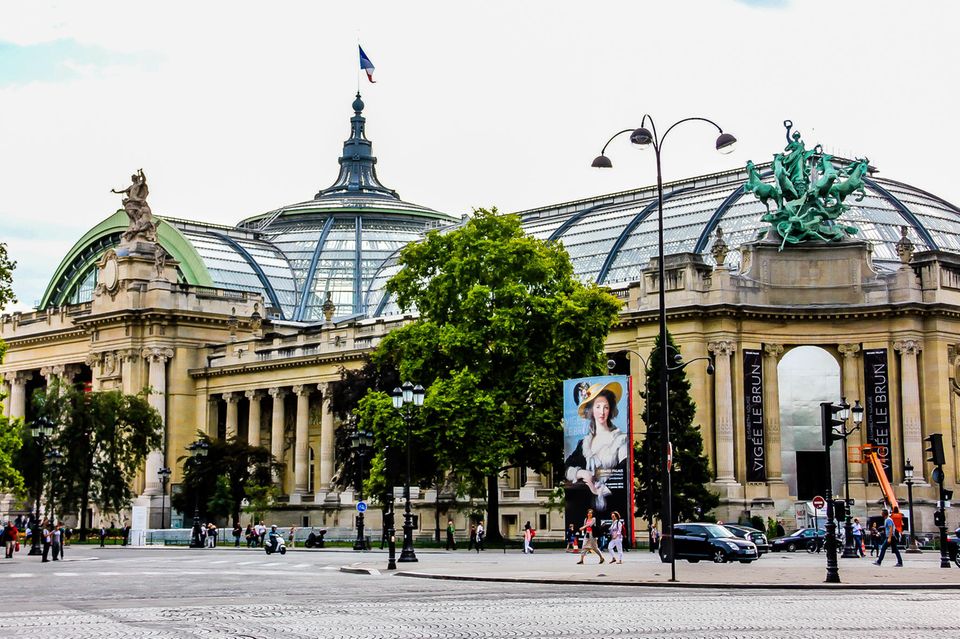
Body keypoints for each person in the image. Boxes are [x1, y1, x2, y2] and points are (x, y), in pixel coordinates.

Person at [564, 381, 629, 512]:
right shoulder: (584, 443)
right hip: (583, 505)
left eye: (606, 407)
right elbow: (567, 467)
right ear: (591, 410)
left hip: (614, 504)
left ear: (610, 409)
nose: (602, 412)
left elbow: (624, 470)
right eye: (598, 407)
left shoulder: (620, 439)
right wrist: (581, 473)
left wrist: (600, 489)